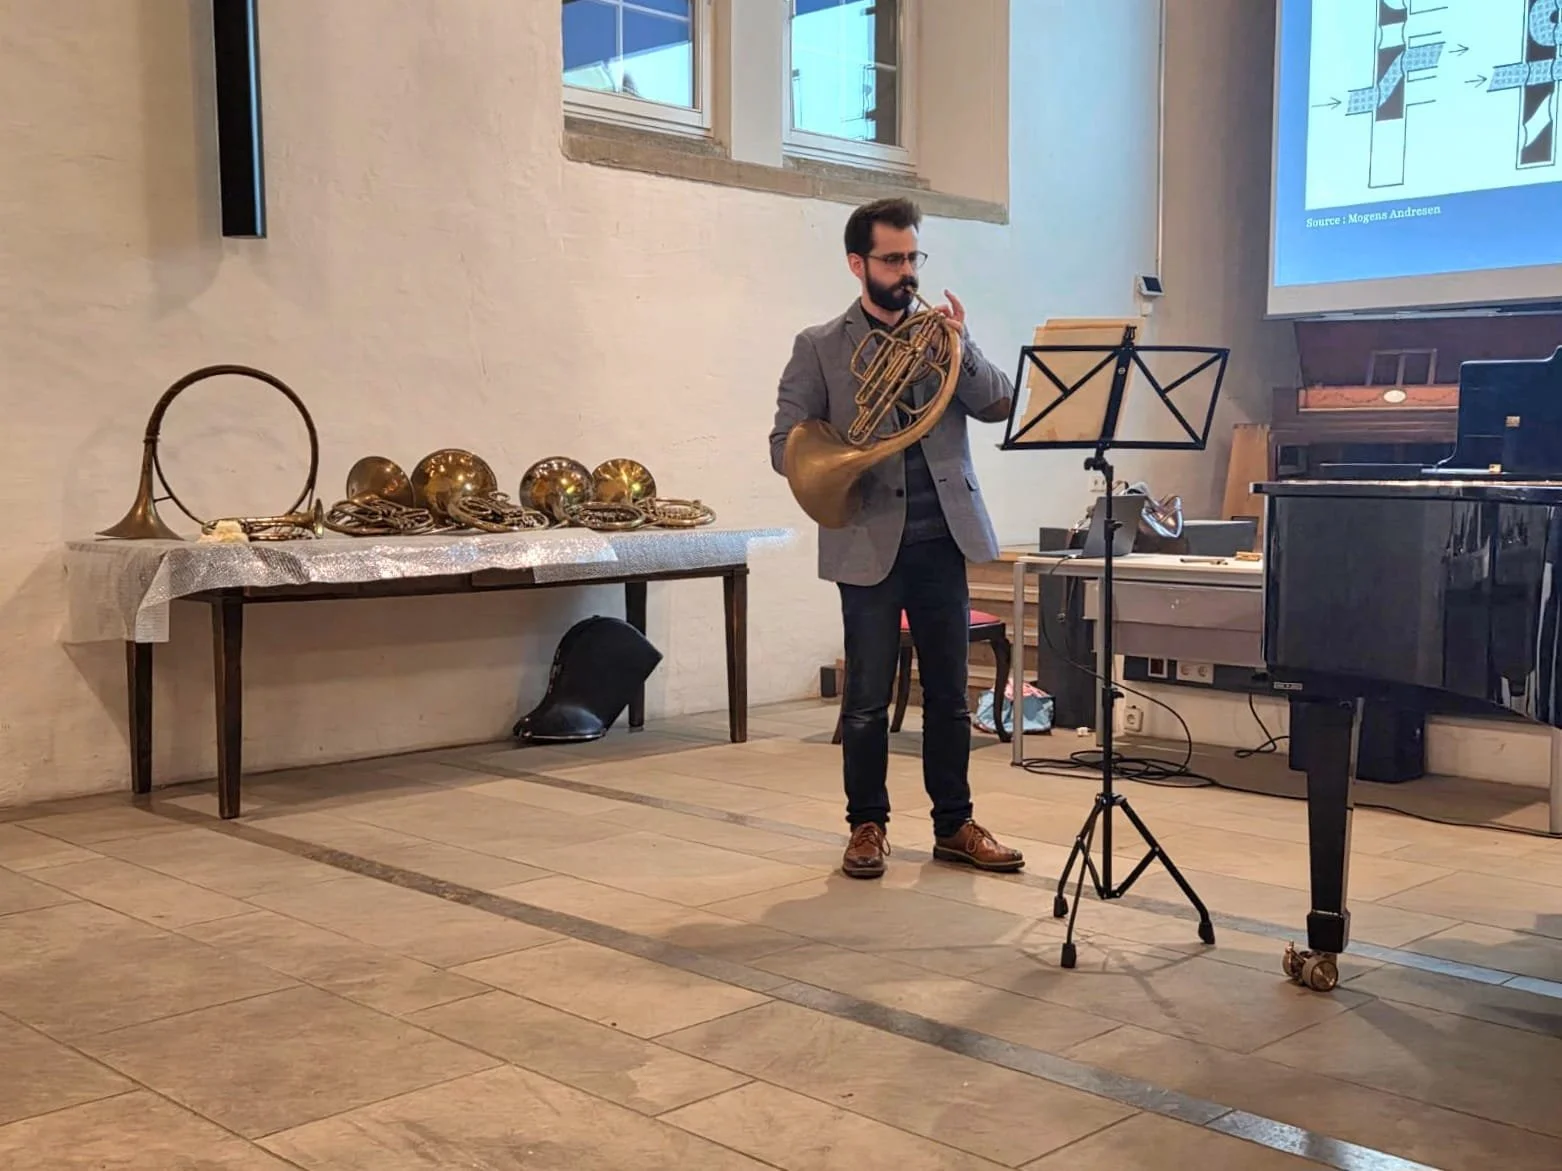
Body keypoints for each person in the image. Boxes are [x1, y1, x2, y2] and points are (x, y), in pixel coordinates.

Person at [769, 197, 1025, 880]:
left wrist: (964, 346)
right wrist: (839, 461)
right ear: (858, 264)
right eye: (892, 259)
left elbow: (1000, 402)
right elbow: (784, 445)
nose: (906, 271)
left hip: (943, 537)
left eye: (913, 257)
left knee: (949, 696)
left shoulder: (942, 336)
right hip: (866, 539)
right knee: (865, 700)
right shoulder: (819, 345)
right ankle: (867, 825)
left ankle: (955, 824)